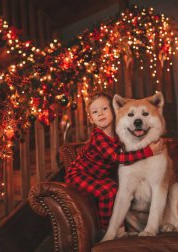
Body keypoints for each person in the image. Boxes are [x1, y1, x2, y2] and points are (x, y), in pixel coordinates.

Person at [65, 92, 165, 230]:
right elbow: (118, 158)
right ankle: (106, 229)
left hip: (98, 176)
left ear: (114, 111)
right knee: (108, 192)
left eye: (104, 109)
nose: (100, 114)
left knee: (117, 191)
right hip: (78, 174)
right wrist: (149, 151)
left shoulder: (120, 134)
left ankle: (120, 228)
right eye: (95, 112)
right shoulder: (98, 137)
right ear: (91, 119)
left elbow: (135, 146)